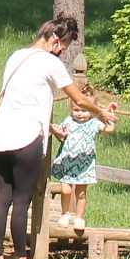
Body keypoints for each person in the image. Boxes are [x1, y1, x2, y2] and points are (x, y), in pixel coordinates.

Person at [0, 15, 100, 259]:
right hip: (27, 138)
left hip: (0, 136)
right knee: (21, 201)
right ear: (55, 40)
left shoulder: (16, 56)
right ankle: (21, 258)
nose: (61, 54)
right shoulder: (49, 62)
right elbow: (79, 99)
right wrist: (101, 113)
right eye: (63, 48)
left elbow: (21, 97)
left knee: (2, 198)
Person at [50, 90, 119, 232]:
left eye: (84, 110)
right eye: (76, 110)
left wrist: (110, 115)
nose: (80, 114)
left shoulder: (94, 123)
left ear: (92, 111)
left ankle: (79, 217)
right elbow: (62, 137)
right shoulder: (68, 121)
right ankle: (64, 214)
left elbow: (109, 129)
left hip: (84, 164)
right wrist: (58, 133)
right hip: (67, 162)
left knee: (80, 193)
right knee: (65, 190)